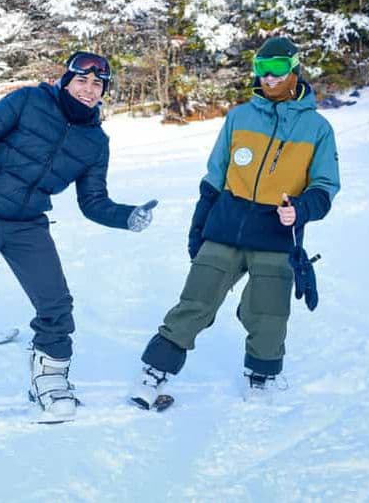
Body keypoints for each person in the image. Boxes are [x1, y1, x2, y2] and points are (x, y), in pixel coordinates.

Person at [0, 51, 159, 424]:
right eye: (82, 80)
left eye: (97, 84)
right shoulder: (28, 100)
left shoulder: (95, 142)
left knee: (55, 303)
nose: (89, 89)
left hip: (27, 223)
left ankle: (50, 376)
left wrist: (126, 216)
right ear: (65, 81)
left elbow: (93, 202)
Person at [131, 36, 341, 408]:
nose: (269, 77)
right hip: (225, 229)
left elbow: (325, 186)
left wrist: (302, 209)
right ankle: (155, 370)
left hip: (276, 235)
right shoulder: (239, 118)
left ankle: (261, 376)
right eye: (262, 69)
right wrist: (199, 227)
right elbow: (214, 177)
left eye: (277, 69)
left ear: (294, 70)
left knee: (268, 312)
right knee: (195, 302)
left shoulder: (318, 129)